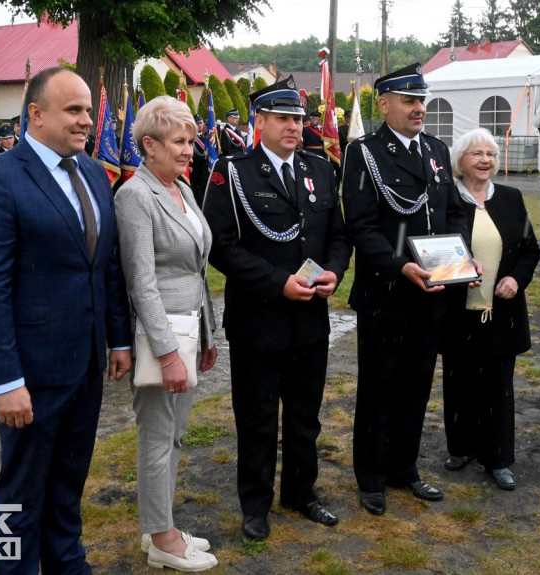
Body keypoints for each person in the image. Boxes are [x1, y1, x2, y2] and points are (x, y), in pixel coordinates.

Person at [0, 66, 133, 574]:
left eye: (87, 109)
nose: (86, 121)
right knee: (21, 491)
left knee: (69, 478)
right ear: (35, 114)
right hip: (31, 373)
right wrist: (6, 380)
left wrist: (118, 340)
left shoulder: (93, 174)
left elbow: (104, 268)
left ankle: (67, 560)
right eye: (74, 110)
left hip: (85, 364)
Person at [203, 76, 351, 539]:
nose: (293, 127)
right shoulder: (232, 171)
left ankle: (302, 493)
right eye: (283, 119)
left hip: (310, 318)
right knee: (258, 417)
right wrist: (276, 283)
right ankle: (256, 504)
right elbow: (220, 247)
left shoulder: (320, 168)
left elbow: (339, 235)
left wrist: (333, 271)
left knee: (306, 416)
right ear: (259, 121)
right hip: (258, 319)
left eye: (298, 119)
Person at [342, 63, 468, 515]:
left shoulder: (435, 149)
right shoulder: (365, 153)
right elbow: (361, 225)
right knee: (379, 387)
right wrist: (401, 266)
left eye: (422, 100)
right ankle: (372, 476)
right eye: (410, 100)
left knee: (416, 385)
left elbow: (453, 212)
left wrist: (459, 257)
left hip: (433, 292)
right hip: (388, 294)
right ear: (385, 104)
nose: (420, 108)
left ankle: (405, 467)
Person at [114, 96, 219, 571]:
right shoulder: (134, 195)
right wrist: (170, 353)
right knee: (157, 437)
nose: (189, 150)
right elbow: (141, 283)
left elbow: (194, 269)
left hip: (190, 330)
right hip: (162, 339)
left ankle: (166, 526)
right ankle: (160, 539)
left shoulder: (180, 188)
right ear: (149, 145)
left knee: (174, 436)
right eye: (180, 141)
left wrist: (207, 336)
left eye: (191, 140)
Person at [440, 128, 540, 491]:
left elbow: (531, 248)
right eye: (477, 154)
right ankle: (461, 447)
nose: (485, 160)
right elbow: (435, 248)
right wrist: (455, 273)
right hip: (457, 310)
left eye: (491, 154)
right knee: (458, 380)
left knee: (499, 386)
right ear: (460, 161)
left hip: (502, 313)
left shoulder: (512, 198)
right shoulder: (446, 198)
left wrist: (516, 279)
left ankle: (497, 457)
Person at [189, 114, 210, 205]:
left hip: (205, 169)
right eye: (197, 123)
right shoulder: (191, 139)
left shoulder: (205, 137)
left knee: (206, 190)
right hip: (196, 169)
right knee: (198, 192)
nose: (200, 125)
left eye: (201, 123)